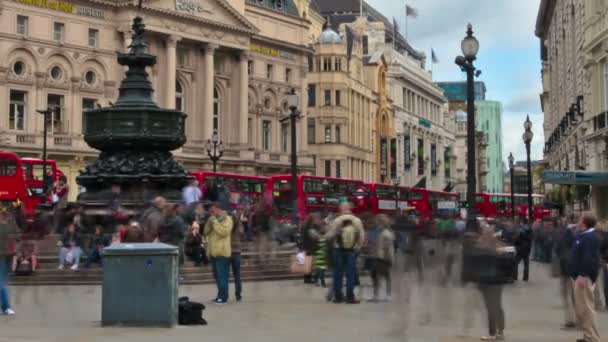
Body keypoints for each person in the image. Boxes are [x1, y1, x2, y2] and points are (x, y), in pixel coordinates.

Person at [325, 202, 365, 304]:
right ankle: (350, 297)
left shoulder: (337, 220)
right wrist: (358, 248)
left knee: (338, 274)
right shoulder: (357, 220)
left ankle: (338, 297)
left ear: (340, 209)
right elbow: (362, 237)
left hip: (337, 250)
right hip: (351, 251)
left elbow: (329, 236)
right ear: (350, 208)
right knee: (350, 274)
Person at [474, 222, 508, 341]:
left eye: (488, 230)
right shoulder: (490, 244)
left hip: (492, 280)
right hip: (489, 280)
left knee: (492, 307)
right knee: (495, 307)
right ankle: (499, 332)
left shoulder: (486, 244)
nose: (486, 232)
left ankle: (494, 333)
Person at [571, 213, 601, 342]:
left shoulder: (589, 237)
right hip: (581, 276)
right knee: (582, 308)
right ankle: (588, 335)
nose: (578, 221)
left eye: (580, 219)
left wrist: (583, 275)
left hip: (584, 277)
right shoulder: (585, 235)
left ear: (584, 222)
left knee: (587, 307)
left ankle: (593, 337)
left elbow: (588, 258)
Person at [204, 202, 233, 305]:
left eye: (213, 210)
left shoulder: (227, 219)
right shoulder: (213, 220)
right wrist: (208, 223)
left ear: (219, 209)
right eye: (210, 211)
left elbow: (224, 232)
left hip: (222, 253)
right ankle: (219, 296)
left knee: (222, 276)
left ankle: (224, 298)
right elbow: (205, 232)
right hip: (213, 252)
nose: (211, 212)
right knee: (217, 277)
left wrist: (215, 222)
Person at [554, 216, 577, 330]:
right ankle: (577, 319)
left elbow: (557, 249)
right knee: (574, 295)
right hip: (573, 268)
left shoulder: (561, 234)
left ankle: (569, 320)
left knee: (566, 295)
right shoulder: (575, 234)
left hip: (564, 268)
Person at [369, 214, 395, 302]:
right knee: (378, 276)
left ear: (382, 223)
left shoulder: (386, 234)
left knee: (381, 276)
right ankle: (380, 294)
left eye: (377, 221)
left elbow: (388, 248)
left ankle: (384, 295)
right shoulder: (379, 232)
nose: (375, 222)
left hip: (383, 258)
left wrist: (389, 259)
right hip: (378, 257)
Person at [0, 208, 17, 315]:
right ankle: (6, 307)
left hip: (3, 258)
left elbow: (12, 245)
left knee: (2, 284)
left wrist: (13, 258)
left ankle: (6, 307)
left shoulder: (8, 228)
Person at [301, 213, 322, 284]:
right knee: (308, 263)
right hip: (308, 247)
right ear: (312, 220)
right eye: (316, 219)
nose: (317, 220)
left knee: (309, 263)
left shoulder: (309, 226)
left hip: (308, 247)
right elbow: (315, 236)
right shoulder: (308, 227)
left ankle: (308, 278)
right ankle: (307, 279)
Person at [251, 199, 272, 264]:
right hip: (258, 233)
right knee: (258, 247)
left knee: (261, 247)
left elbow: (268, 225)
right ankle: (258, 259)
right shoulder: (255, 216)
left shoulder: (265, 215)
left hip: (262, 233)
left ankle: (261, 260)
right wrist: (255, 228)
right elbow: (252, 225)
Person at [229, 211, 244, 302]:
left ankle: (224, 294)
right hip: (237, 252)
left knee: (225, 274)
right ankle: (238, 295)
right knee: (237, 275)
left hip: (227, 251)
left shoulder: (227, 225)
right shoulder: (239, 226)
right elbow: (242, 233)